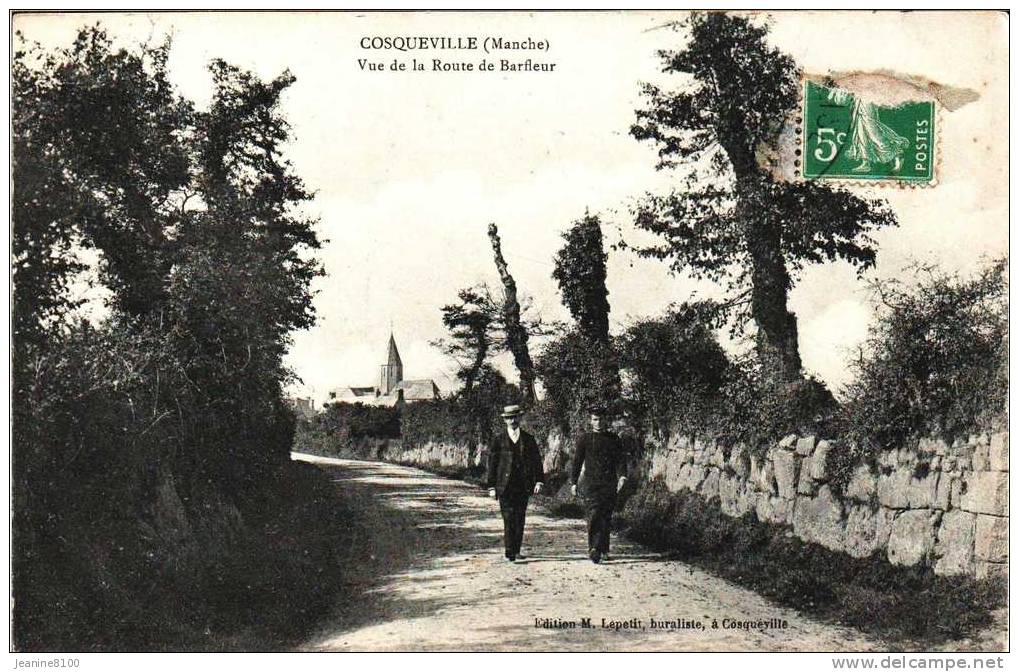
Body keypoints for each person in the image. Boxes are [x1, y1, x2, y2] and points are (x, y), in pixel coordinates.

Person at [486, 404, 544, 563]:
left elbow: (537, 462)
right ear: (505, 420)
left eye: (515, 417)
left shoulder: (528, 439)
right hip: (504, 486)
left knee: (520, 517)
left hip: (523, 485)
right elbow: (492, 463)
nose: (512, 420)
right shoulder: (498, 440)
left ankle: (516, 550)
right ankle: (509, 550)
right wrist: (491, 486)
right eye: (509, 418)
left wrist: (539, 480)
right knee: (508, 517)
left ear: (520, 418)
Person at [571, 408, 628, 564]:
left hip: (609, 483)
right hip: (591, 484)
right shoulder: (585, 439)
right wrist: (573, 482)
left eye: (601, 419)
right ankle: (594, 548)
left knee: (606, 516)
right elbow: (577, 461)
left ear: (606, 420)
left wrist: (622, 475)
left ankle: (604, 549)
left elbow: (621, 460)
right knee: (594, 514)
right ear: (591, 421)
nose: (598, 422)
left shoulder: (614, 439)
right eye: (595, 419)